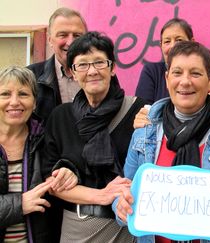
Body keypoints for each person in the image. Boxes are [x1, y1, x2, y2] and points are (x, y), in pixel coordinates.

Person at [114, 41, 210, 243]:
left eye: (195, 73)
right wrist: (120, 206)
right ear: (167, 79)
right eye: (177, 73)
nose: (185, 82)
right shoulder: (144, 132)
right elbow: (125, 188)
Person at [42, 31, 146, 242]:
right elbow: (50, 182)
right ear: (72, 72)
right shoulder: (60, 117)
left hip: (127, 226)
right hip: (77, 227)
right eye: (82, 64)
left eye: (99, 62)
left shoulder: (140, 111)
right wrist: (102, 196)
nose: (92, 71)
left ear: (113, 67)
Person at [0, 66, 76, 243]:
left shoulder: (45, 137)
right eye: (5, 94)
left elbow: (65, 165)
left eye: (23, 94)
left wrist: (69, 173)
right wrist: (20, 205)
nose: (14, 102)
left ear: (34, 102)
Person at [27, 7, 87, 122]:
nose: (70, 42)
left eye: (77, 36)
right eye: (63, 35)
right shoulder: (32, 77)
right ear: (50, 40)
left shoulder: (101, 73)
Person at [135, 18, 194, 105]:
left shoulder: (201, 71)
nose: (173, 46)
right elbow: (142, 110)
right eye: (167, 41)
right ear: (161, 45)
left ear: (192, 42)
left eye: (179, 40)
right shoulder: (152, 71)